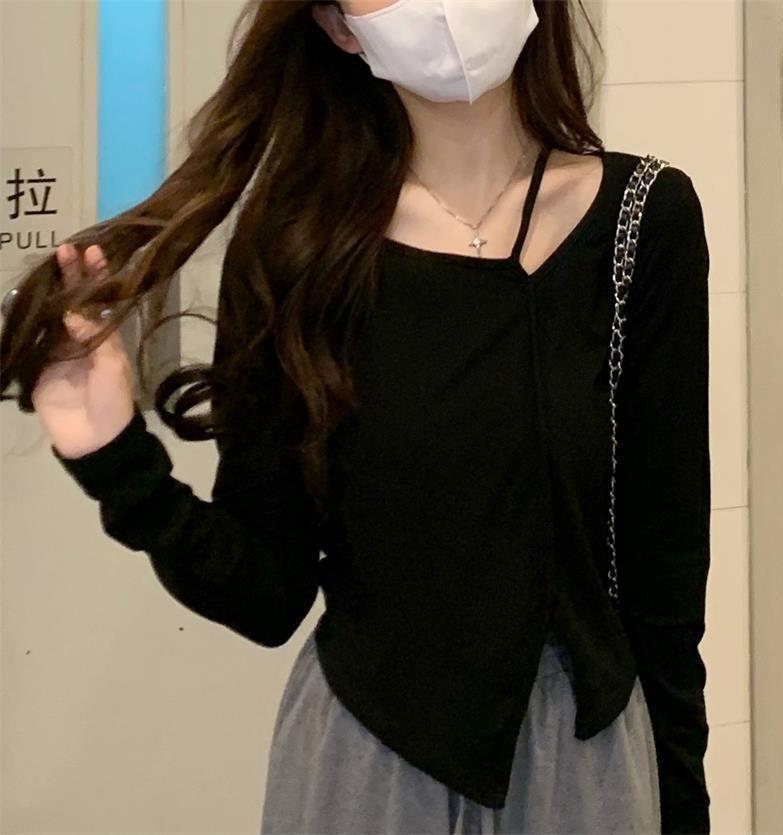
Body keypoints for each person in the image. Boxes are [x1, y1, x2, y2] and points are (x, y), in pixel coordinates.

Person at [2, 1, 711, 832]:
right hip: (369, 766)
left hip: (583, 765)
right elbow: (268, 590)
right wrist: (116, 459)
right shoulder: (299, 247)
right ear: (340, 28)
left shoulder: (643, 222)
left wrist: (685, 807)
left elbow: (665, 580)